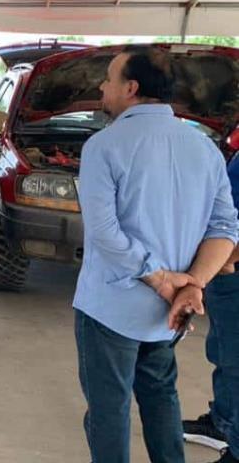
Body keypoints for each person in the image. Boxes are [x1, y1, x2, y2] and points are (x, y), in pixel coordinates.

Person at [72, 47, 238, 462]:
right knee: (162, 396)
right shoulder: (205, 149)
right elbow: (225, 229)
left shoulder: (103, 146)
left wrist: (163, 279)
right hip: (169, 312)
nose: (101, 87)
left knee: (110, 411)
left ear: (130, 88)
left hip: (112, 306)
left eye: (108, 80)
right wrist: (192, 285)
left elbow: (105, 233)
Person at [182, 146, 239, 463]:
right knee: (223, 353)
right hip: (224, 269)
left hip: (230, 267)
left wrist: (224, 262)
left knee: (235, 362)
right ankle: (222, 422)